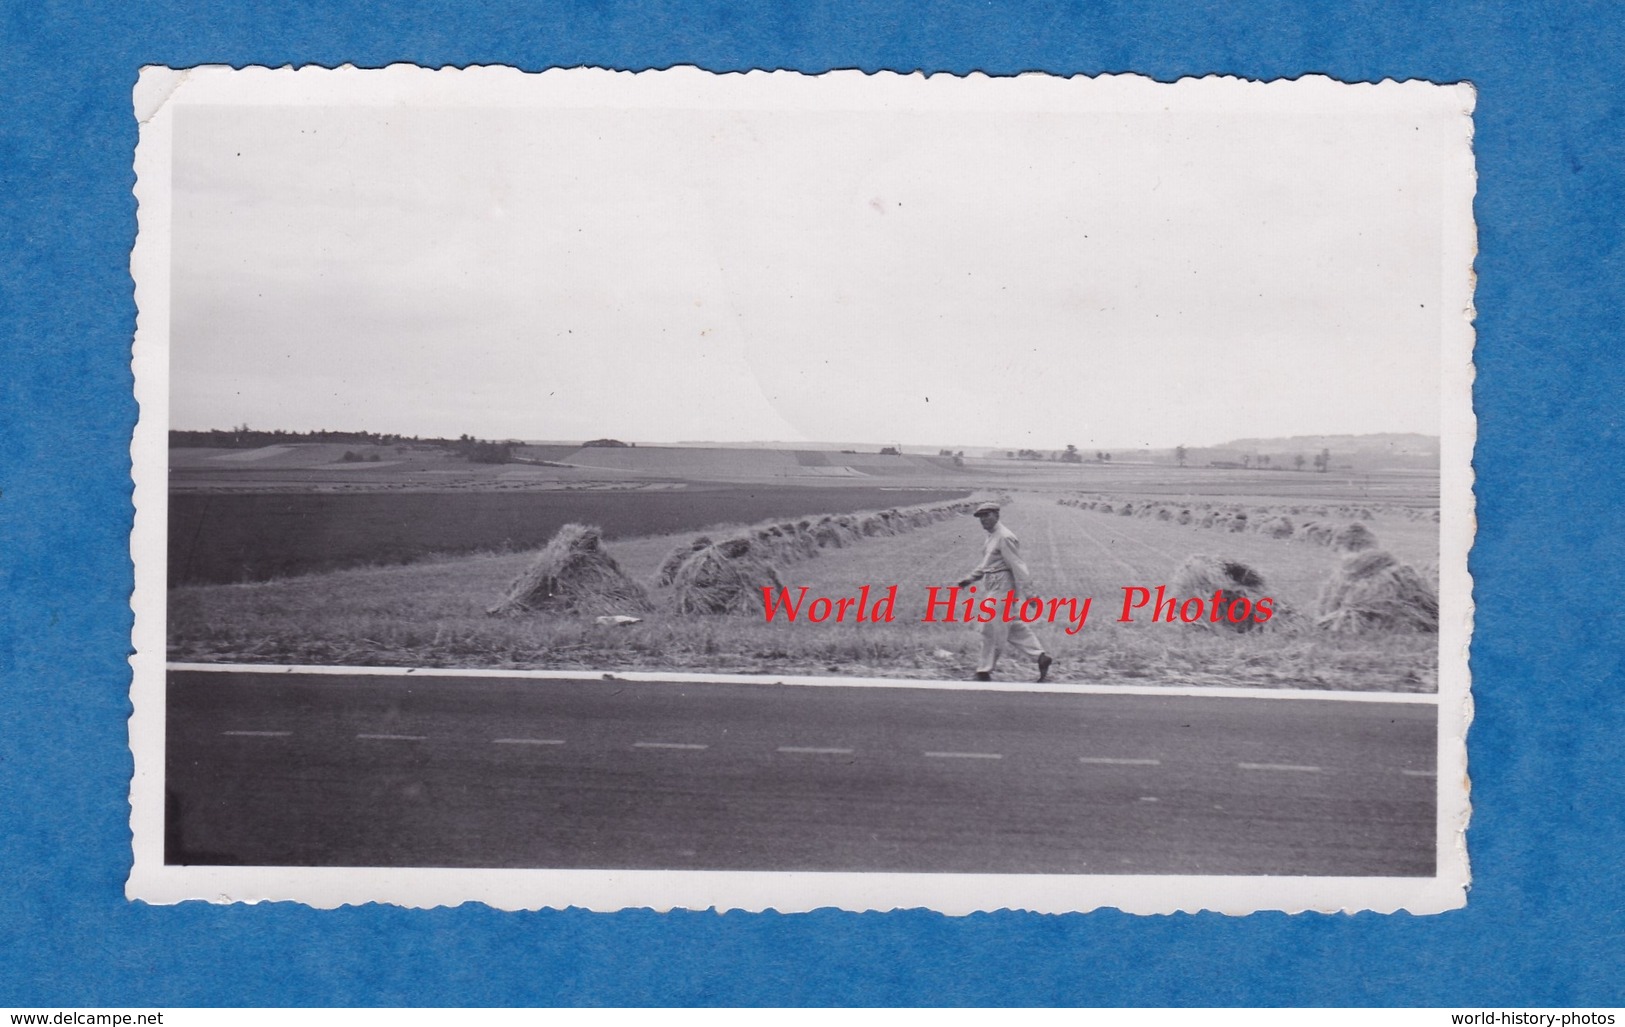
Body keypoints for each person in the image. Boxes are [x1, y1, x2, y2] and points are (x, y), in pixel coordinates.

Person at [956, 501, 1053, 682]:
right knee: (1013, 626)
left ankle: (984, 671)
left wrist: (1030, 594)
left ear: (996, 515)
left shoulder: (1005, 537)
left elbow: (1018, 566)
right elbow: (987, 564)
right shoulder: (991, 536)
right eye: (980, 516)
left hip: (1003, 587)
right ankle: (1041, 657)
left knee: (990, 628)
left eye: (987, 515)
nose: (983, 519)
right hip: (993, 585)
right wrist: (970, 578)